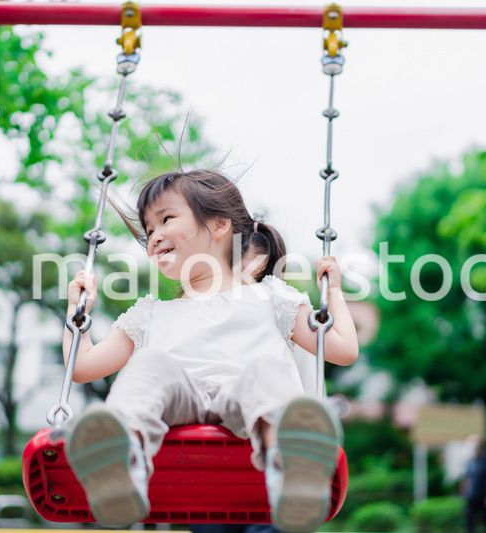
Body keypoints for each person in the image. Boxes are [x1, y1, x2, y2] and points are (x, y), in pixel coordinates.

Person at [63, 170, 359, 532]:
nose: (154, 236)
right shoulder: (149, 314)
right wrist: (76, 313)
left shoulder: (272, 297)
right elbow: (82, 367)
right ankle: (122, 459)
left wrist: (334, 293)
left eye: (166, 219)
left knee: (265, 370)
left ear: (219, 225)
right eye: (149, 230)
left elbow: (342, 349)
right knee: (151, 365)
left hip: (246, 409)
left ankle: (291, 469)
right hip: (182, 413)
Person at [461, 438, 486, 533]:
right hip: (471, 496)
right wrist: (464, 492)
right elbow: (467, 478)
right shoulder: (470, 462)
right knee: (469, 520)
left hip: (483, 496)